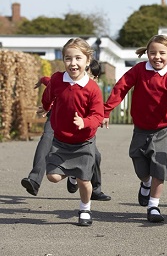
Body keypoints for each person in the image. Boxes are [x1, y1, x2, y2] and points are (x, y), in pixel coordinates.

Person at [102, 35, 167, 223]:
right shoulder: (139, 70)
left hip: (163, 129)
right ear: (147, 53)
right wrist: (106, 110)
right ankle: (145, 183)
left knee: (159, 167)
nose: (157, 57)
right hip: (141, 128)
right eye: (153, 53)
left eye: (162, 53)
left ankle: (154, 206)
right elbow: (121, 87)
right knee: (140, 167)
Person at [41, 38, 104, 226]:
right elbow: (49, 94)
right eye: (68, 58)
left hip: (84, 142)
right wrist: (45, 106)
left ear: (87, 60)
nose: (73, 63)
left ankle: (85, 209)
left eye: (78, 58)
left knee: (84, 180)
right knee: (52, 177)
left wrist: (84, 122)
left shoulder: (92, 88)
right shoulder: (58, 80)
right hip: (60, 140)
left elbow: (98, 115)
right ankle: (72, 175)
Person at [21, 71, 111, 201]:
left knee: (95, 156)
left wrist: (89, 121)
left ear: (94, 78)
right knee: (46, 139)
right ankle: (34, 179)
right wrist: (42, 80)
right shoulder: (63, 79)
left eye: (89, 75)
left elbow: (97, 114)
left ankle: (94, 189)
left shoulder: (91, 89)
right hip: (58, 120)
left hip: (81, 128)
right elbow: (50, 82)